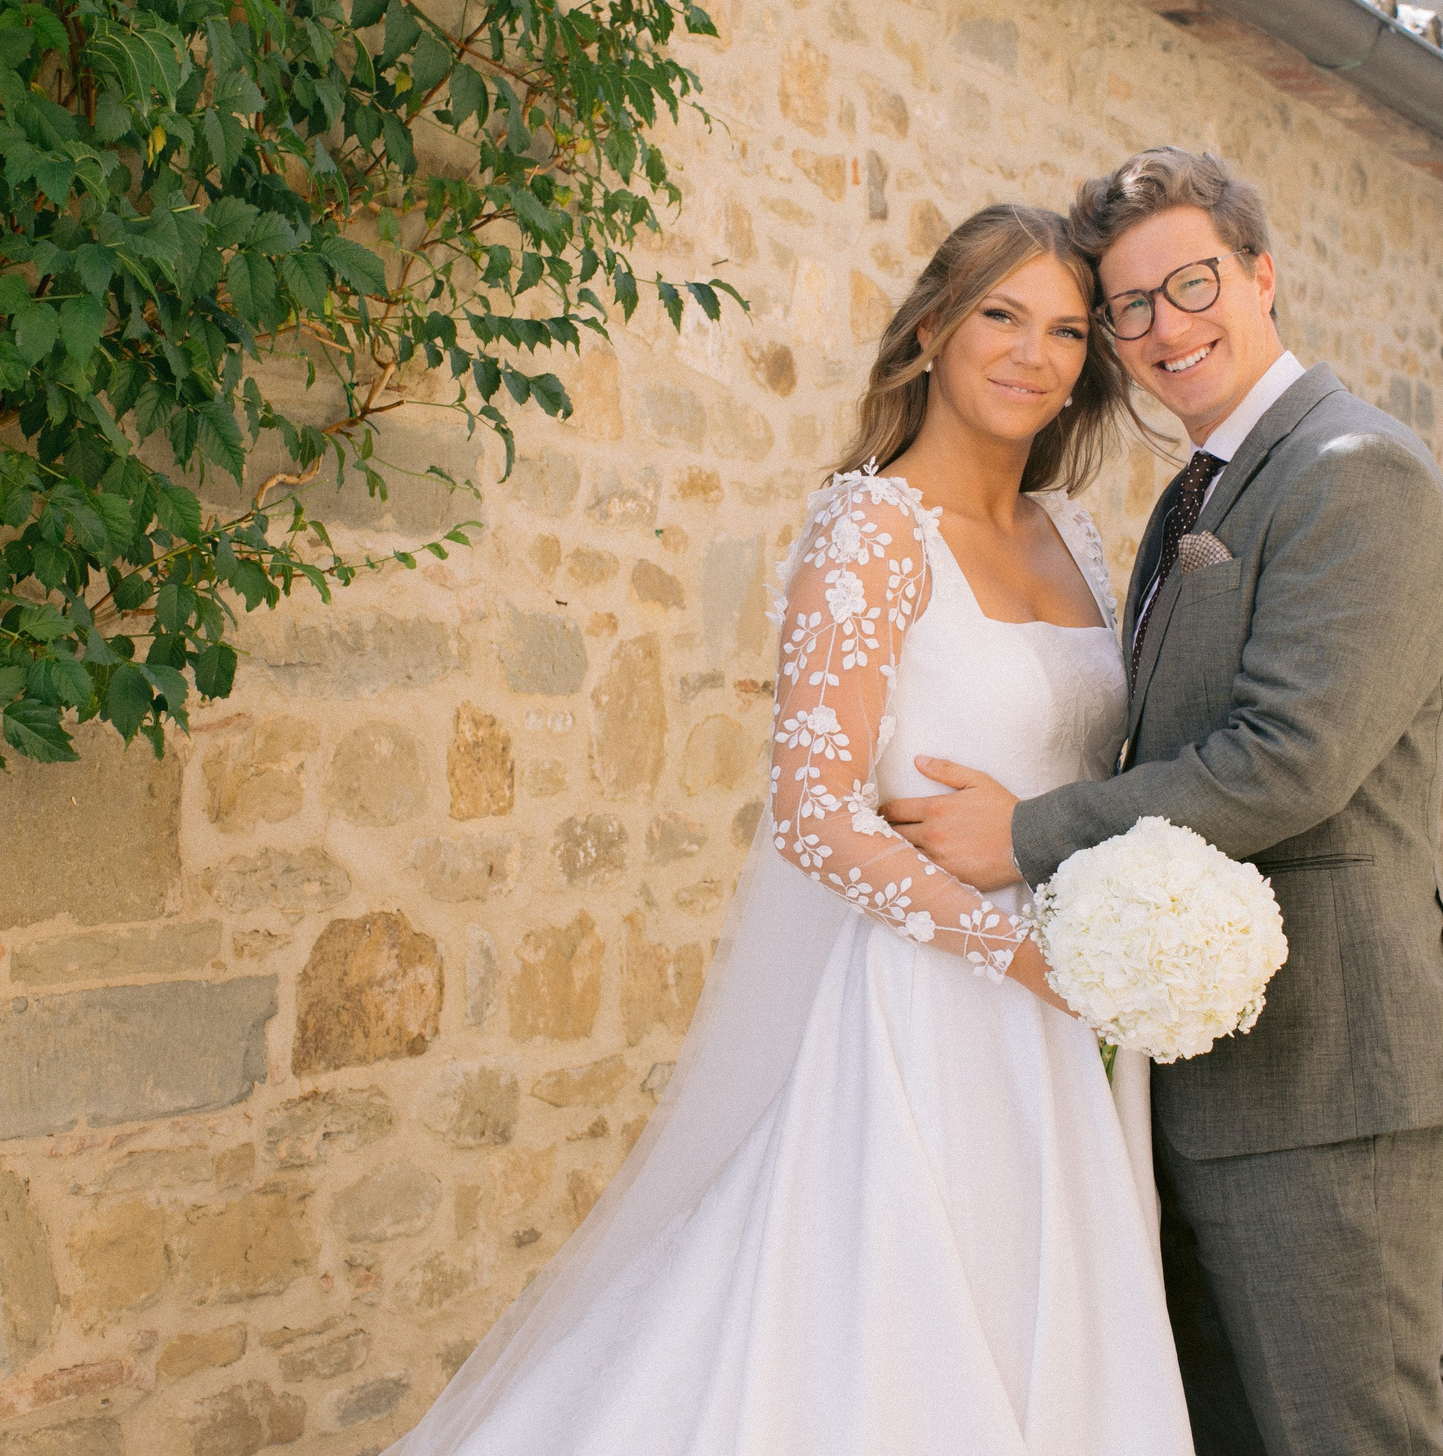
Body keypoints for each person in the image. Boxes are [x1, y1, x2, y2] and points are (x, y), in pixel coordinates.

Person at [384, 204, 1194, 1455]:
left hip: (1070, 1017)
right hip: (934, 1008)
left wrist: (1115, 945)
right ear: (931, 328)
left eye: (1068, 330)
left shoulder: (1074, 535)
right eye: (1000, 315)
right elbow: (817, 816)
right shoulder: (868, 526)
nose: (1033, 353)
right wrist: (1025, 956)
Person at [885, 149, 1443, 1456]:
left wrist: (1021, 832)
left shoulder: (1356, 467)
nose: (1166, 327)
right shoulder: (1202, 488)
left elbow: (1285, 760)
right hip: (1201, 1073)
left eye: (1193, 285)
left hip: (1328, 1075)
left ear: (1262, 276)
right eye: (1130, 307)